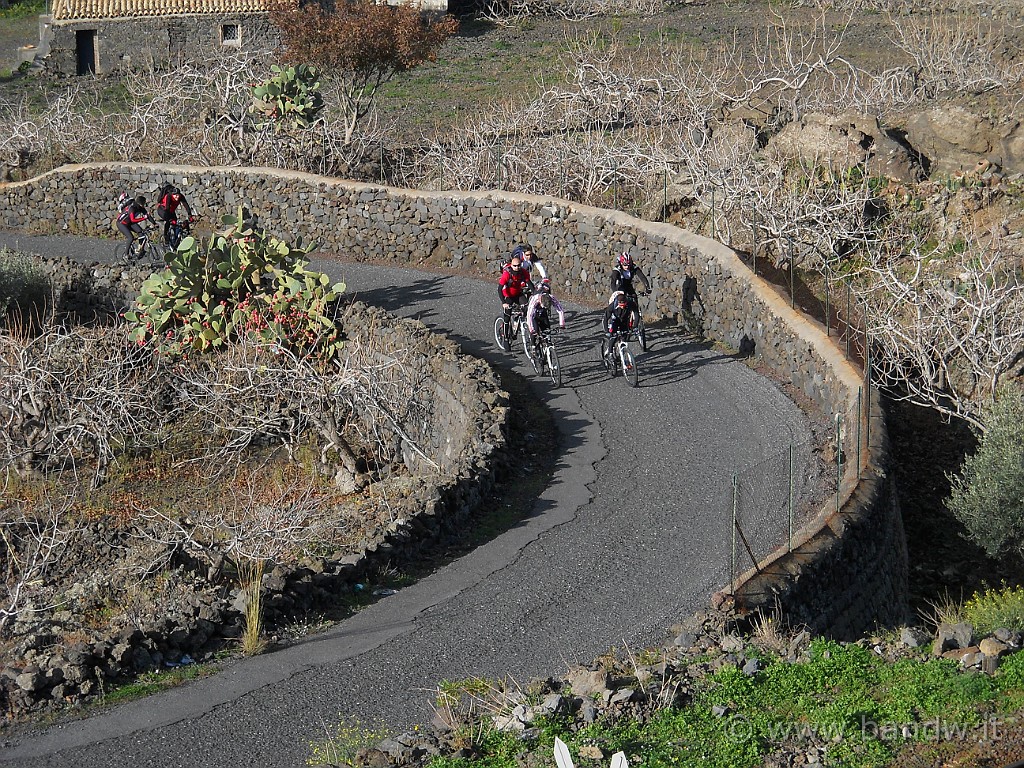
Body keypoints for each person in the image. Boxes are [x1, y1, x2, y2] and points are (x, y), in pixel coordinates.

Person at [498, 251, 534, 346]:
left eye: (518, 266)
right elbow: (499, 289)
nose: (517, 268)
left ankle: (518, 322)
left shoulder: (523, 272)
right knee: (507, 316)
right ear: (511, 266)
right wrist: (503, 302)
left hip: (518, 294)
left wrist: (535, 295)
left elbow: (529, 284)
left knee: (527, 307)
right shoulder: (507, 274)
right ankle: (506, 338)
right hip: (508, 296)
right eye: (515, 266)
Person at [525, 278, 565, 353]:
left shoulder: (551, 297)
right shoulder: (535, 299)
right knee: (535, 330)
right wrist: (531, 329)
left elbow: (560, 310)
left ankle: (547, 350)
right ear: (540, 301)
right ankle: (533, 345)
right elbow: (529, 316)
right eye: (543, 306)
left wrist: (562, 324)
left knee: (547, 332)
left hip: (543, 314)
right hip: (534, 315)